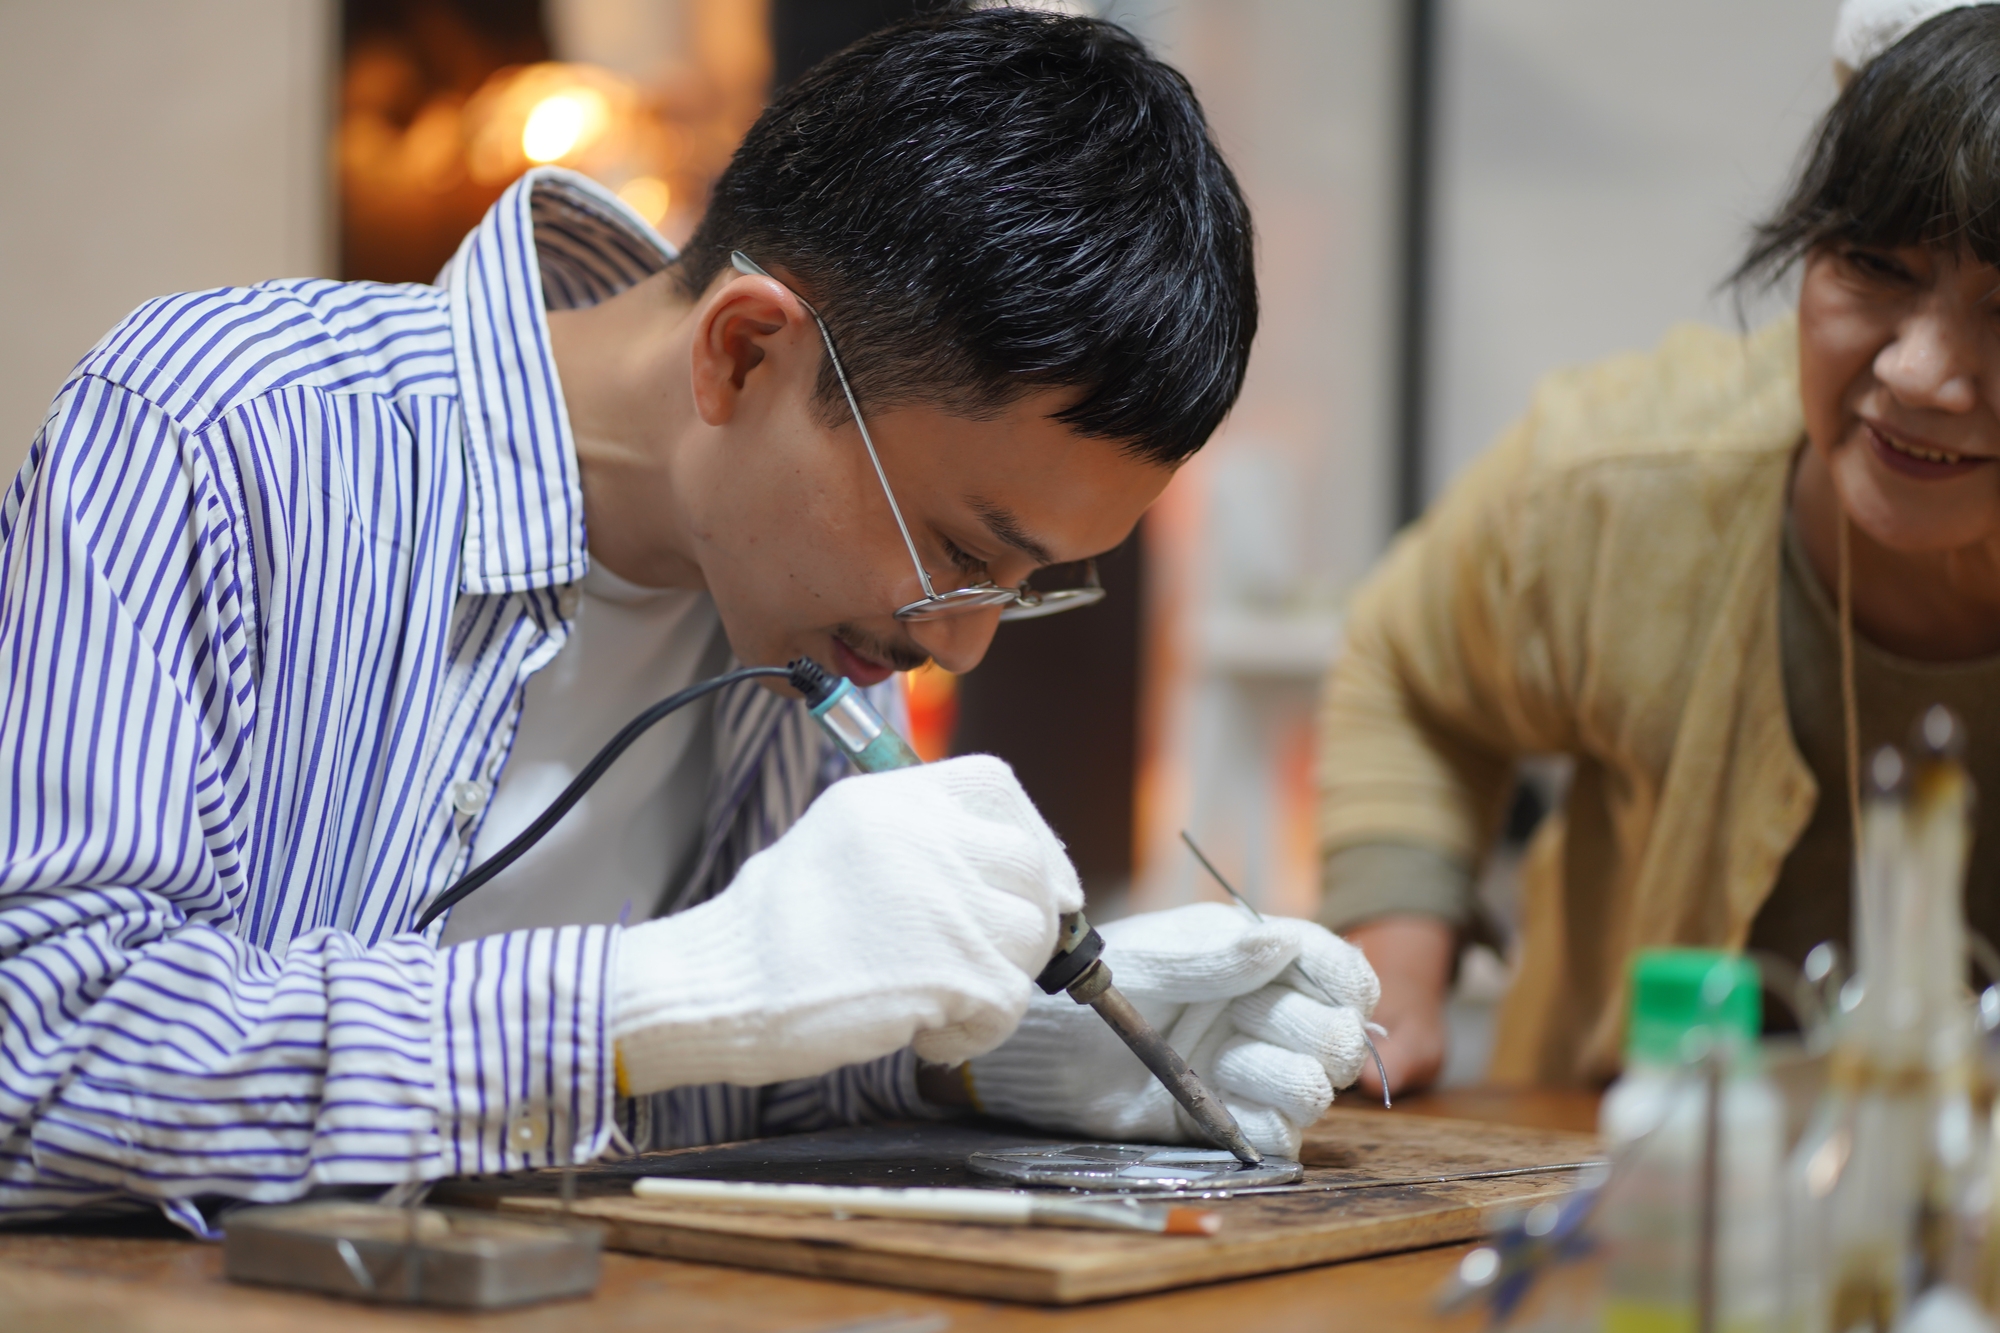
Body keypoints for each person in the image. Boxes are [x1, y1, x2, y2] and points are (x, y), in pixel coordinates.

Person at [0, 8, 1379, 1230]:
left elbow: (739, 1073)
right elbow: (37, 1061)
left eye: (1026, 587)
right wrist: (644, 996)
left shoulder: (823, 597)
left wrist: (1004, 1047)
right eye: (963, 553)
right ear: (747, 350)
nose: (960, 643)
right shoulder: (222, 430)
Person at [1318, 0, 2000, 1095]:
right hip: (1625, 1198)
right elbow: (1410, 669)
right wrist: (1394, 965)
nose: (1919, 372)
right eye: (1874, 264)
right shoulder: (1622, 483)